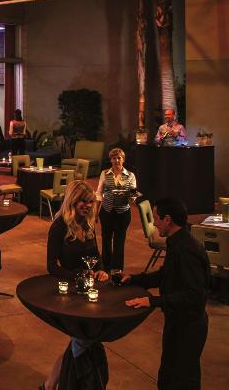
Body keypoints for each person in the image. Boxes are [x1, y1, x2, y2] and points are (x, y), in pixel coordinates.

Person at [124, 197, 210, 390]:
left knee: (180, 381)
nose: (154, 224)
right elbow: (166, 275)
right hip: (178, 321)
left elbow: (193, 295)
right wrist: (134, 279)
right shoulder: (177, 242)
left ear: (168, 220)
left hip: (188, 326)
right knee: (169, 377)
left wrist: (153, 301)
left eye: (156, 218)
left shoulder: (186, 251)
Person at [43, 180, 109, 390]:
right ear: (72, 201)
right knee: (82, 338)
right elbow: (51, 266)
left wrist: (100, 269)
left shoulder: (88, 224)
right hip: (70, 292)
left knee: (79, 339)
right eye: (83, 201)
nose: (87, 206)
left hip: (89, 290)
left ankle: (49, 385)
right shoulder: (59, 226)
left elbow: (96, 256)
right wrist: (76, 275)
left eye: (90, 202)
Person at [96, 148, 137, 271]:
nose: (116, 160)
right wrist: (95, 212)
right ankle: (106, 267)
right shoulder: (104, 173)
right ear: (111, 160)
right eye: (114, 158)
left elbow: (133, 195)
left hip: (123, 213)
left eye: (119, 158)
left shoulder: (130, 175)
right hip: (106, 211)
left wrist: (131, 197)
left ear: (123, 160)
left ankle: (117, 269)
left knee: (119, 241)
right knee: (106, 239)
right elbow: (99, 193)